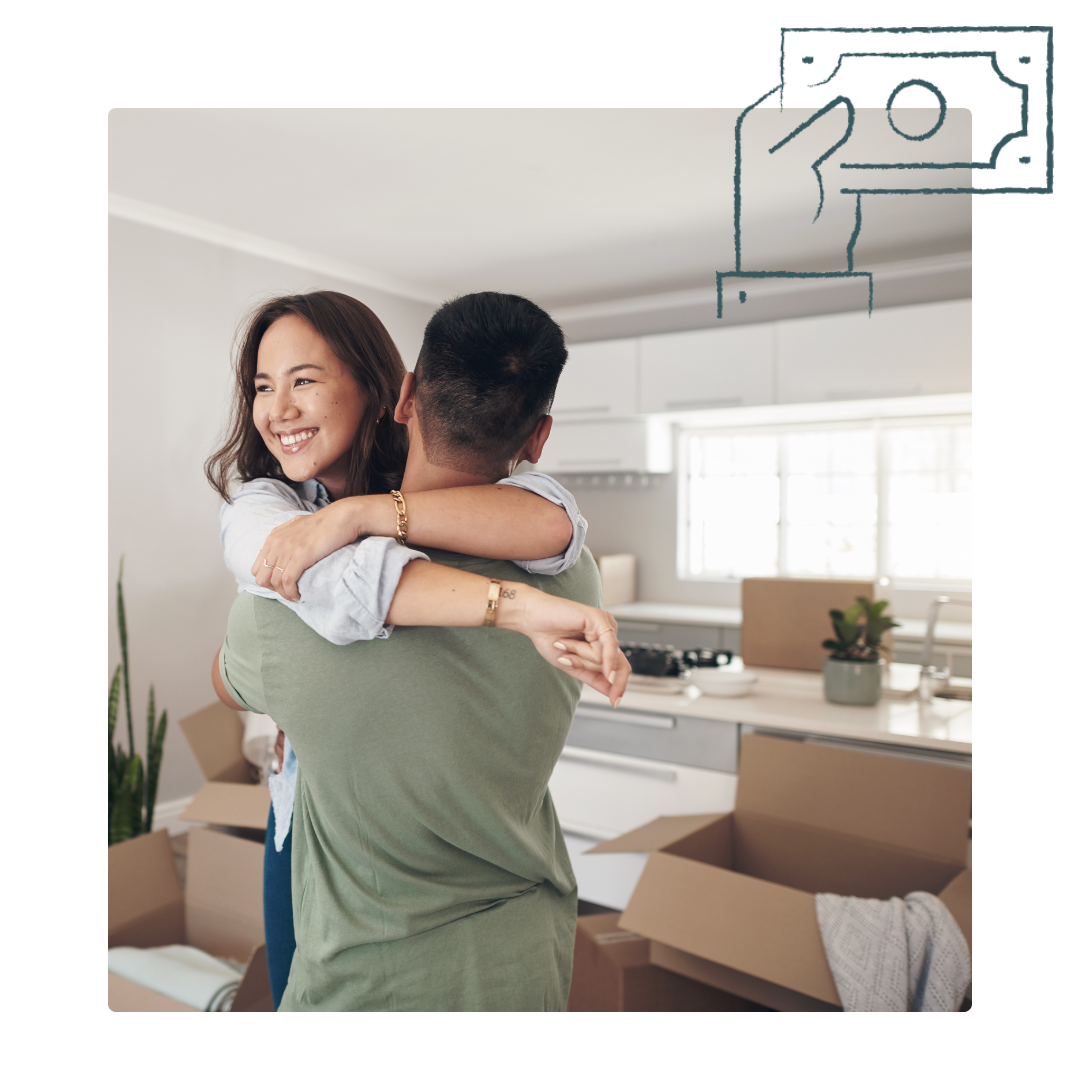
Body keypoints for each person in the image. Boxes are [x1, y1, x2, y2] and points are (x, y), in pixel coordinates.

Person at [208, 291, 627, 1010]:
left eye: (304, 380)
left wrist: (360, 516)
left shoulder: (280, 615)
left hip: (360, 936)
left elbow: (231, 672)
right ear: (538, 435)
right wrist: (517, 606)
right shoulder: (573, 581)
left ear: (398, 396)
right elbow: (559, 530)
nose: (279, 408)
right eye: (263, 386)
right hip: (514, 921)